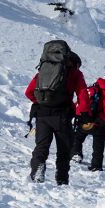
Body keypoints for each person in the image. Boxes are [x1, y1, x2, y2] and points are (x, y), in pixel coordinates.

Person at [25, 47, 89, 185]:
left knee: (41, 146)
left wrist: (42, 102)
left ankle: (37, 169)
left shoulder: (44, 71)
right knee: (63, 149)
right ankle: (62, 179)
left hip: (42, 115)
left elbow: (29, 92)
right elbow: (83, 94)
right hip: (62, 116)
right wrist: (82, 113)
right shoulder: (75, 73)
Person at [72, 75, 105, 171]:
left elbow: (79, 102)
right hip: (99, 123)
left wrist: (77, 115)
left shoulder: (90, 88)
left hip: (84, 119)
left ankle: (75, 155)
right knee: (98, 144)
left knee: (78, 138)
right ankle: (96, 165)